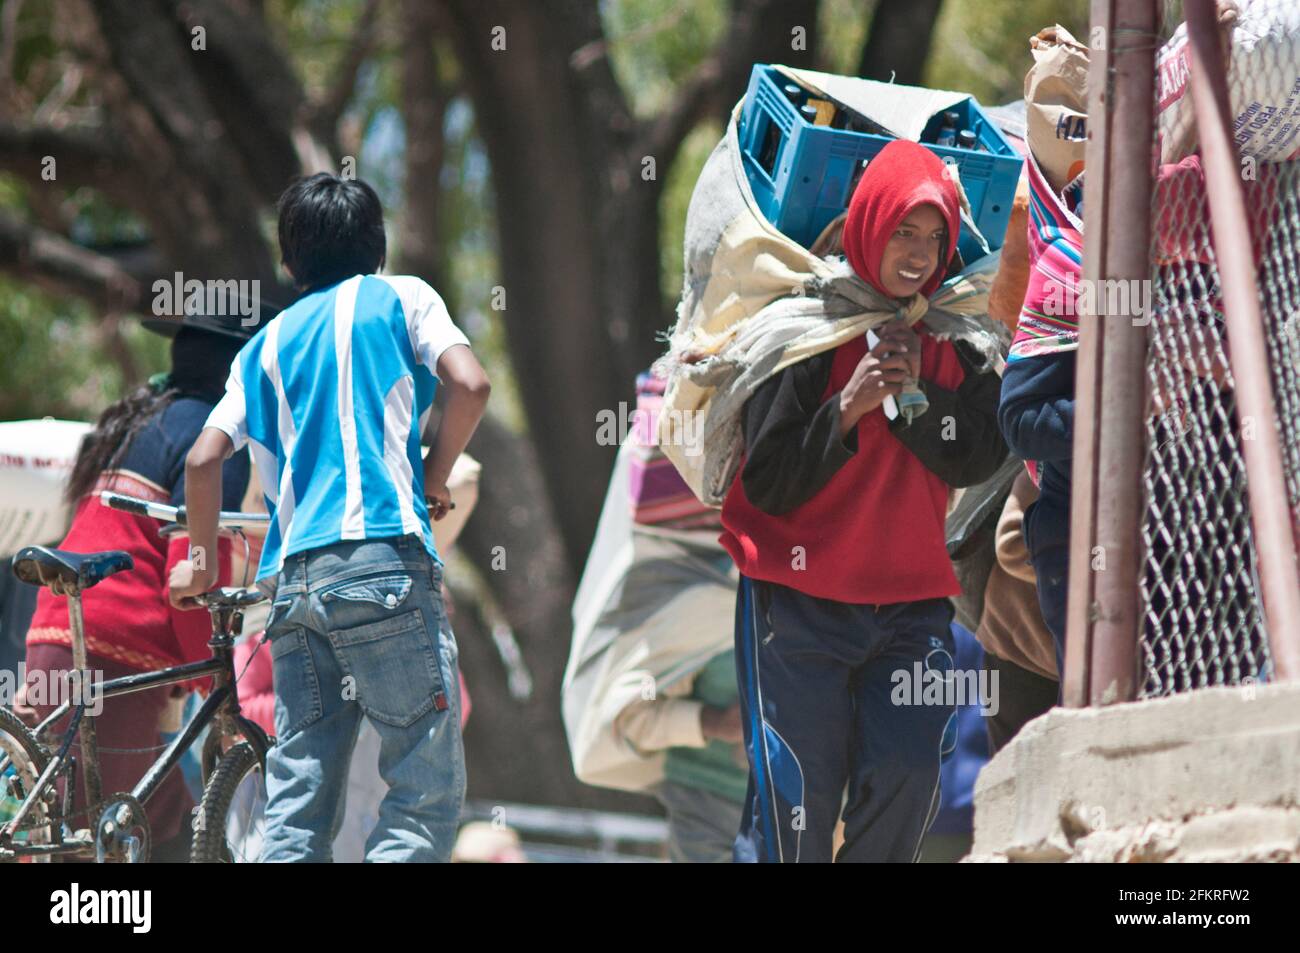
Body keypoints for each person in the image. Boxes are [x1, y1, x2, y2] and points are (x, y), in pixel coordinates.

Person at [170, 173, 490, 863]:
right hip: (384, 561)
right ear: (378, 247)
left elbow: (202, 459)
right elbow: (471, 383)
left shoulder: (263, 345)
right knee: (422, 792)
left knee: (297, 804)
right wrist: (434, 478)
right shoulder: (403, 297)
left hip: (292, 587)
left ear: (289, 264)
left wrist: (198, 562)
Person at [721, 139, 1007, 863]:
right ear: (870, 224)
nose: (918, 252)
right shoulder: (804, 333)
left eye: (934, 235)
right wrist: (848, 407)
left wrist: (918, 399)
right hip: (795, 606)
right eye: (904, 230)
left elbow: (979, 452)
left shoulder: (956, 339)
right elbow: (770, 483)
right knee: (796, 807)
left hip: (911, 610)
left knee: (910, 778)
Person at [17, 311, 256, 861]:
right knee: (91, 833)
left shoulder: (137, 423)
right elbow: (189, 577)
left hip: (58, 624)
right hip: (118, 646)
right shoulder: (217, 442)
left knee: (161, 816)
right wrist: (211, 673)